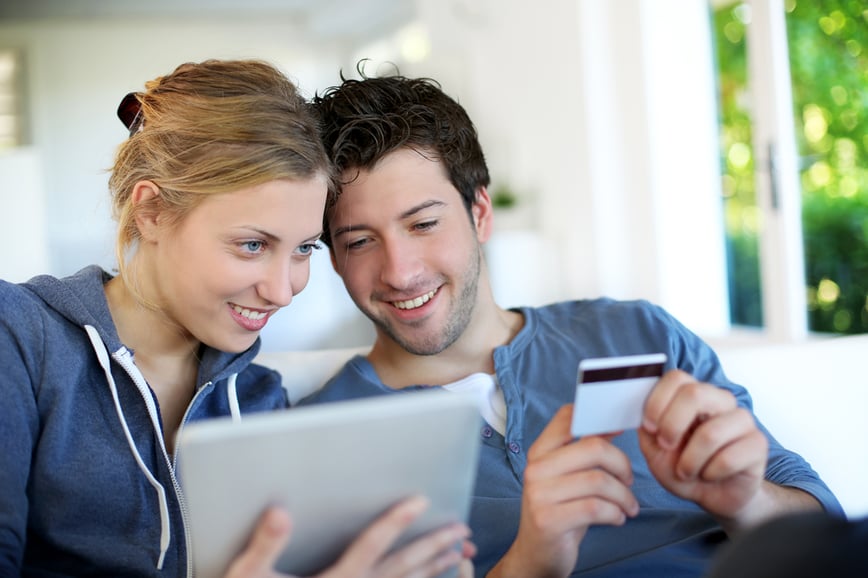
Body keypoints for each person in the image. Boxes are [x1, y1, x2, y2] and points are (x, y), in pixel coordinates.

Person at [300, 66, 845, 577]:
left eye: (423, 224)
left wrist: (745, 501)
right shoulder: (318, 439)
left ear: (480, 213)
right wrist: (534, 558)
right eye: (360, 241)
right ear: (333, 257)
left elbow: (826, 526)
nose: (400, 272)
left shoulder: (636, 333)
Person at [0, 59, 473, 577]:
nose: (282, 290)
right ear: (152, 211)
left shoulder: (258, 399)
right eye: (252, 245)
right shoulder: (20, 340)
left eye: (303, 250)